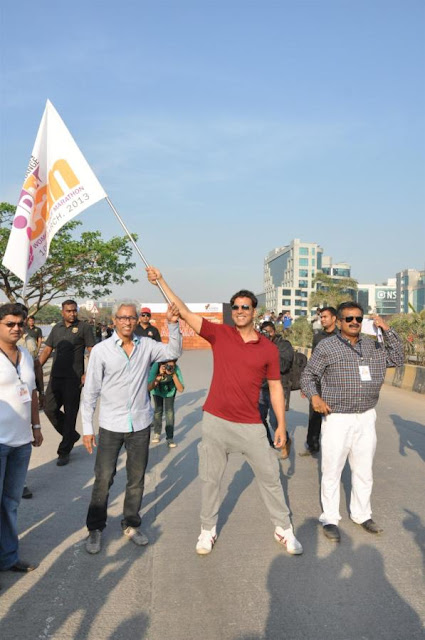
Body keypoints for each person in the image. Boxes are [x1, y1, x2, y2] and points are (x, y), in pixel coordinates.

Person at [147, 267, 303, 556]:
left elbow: (276, 389)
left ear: (254, 311)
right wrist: (161, 281)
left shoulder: (267, 348)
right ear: (232, 312)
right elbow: (182, 309)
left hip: (251, 426)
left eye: (246, 306)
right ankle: (207, 530)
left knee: (270, 476)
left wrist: (280, 425)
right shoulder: (219, 334)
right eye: (236, 307)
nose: (241, 310)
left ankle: (284, 529)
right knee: (210, 479)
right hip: (216, 422)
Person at [81, 301, 182, 554]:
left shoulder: (146, 346)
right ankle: (95, 529)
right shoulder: (102, 351)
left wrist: (172, 323)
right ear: (114, 320)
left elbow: (173, 351)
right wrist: (87, 427)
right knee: (104, 478)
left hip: (139, 424)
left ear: (137, 320)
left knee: (136, 479)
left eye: (131, 318)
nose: (127, 322)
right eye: (122, 317)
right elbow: (91, 391)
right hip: (110, 425)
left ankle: (131, 523)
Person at [300, 301, 404, 542]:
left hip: (366, 417)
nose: (355, 322)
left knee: (364, 471)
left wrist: (386, 330)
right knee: (332, 470)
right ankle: (330, 518)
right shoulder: (327, 347)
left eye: (358, 318)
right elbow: (309, 374)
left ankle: (361, 514)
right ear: (339, 322)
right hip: (337, 419)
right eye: (349, 319)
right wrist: (315, 396)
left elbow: (398, 358)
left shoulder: (374, 346)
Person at [0, 303, 43, 573]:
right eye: (10, 324)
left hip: (21, 442)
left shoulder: (26, 356)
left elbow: (34, 392)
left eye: (20, 323)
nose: (17, 328)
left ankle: (8, 558)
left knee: (11, 504)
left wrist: (36, 427)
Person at [39, 300, 95, 466]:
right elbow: (48, 349)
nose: (72, 314)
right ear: (62, 312)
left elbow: (93, 351)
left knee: (70, 414)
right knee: (49, 409)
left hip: (74, 379)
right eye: (69, 311)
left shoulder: (84, 328)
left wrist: (87, 373)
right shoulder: (57, 328)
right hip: (56, 377)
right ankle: (70, 435)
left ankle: (64, 451)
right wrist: (36, 367)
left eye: (74, 311)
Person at [301, 306, 338, 456]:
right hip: (318, 383)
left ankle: (334, 448)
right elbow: (313, 361)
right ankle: (312, 445)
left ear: (334, 318)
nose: (322, 319)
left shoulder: (342, 336)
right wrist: (307, 386)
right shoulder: (318, 337)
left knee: (333, 417)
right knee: (314, 415)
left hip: (335, 383)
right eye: (321, 317)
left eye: (325, 317)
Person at [259, 321, 294, 458]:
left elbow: (284, 366)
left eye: (268, 332)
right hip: (261, 387)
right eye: (263, 333)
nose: (266, 335)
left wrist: (269, 349)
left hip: (278, 387)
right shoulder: (258, 345)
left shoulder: (284, 345)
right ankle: (268, 445)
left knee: (275, 420)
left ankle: (285, 442)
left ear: (273, 332)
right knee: (259, 419)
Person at [148, 360, 184, 447]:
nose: (169, 367)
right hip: (157, 391)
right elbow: (149, 387)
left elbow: (181, 389)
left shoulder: (175, 369)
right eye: (167, 365)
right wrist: (159, 375)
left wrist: (173, 375)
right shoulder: (156, 367)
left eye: (171, 365)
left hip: (170, 392)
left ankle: (170, 438)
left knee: (169, 412)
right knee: (158, 410)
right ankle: (157, 433)